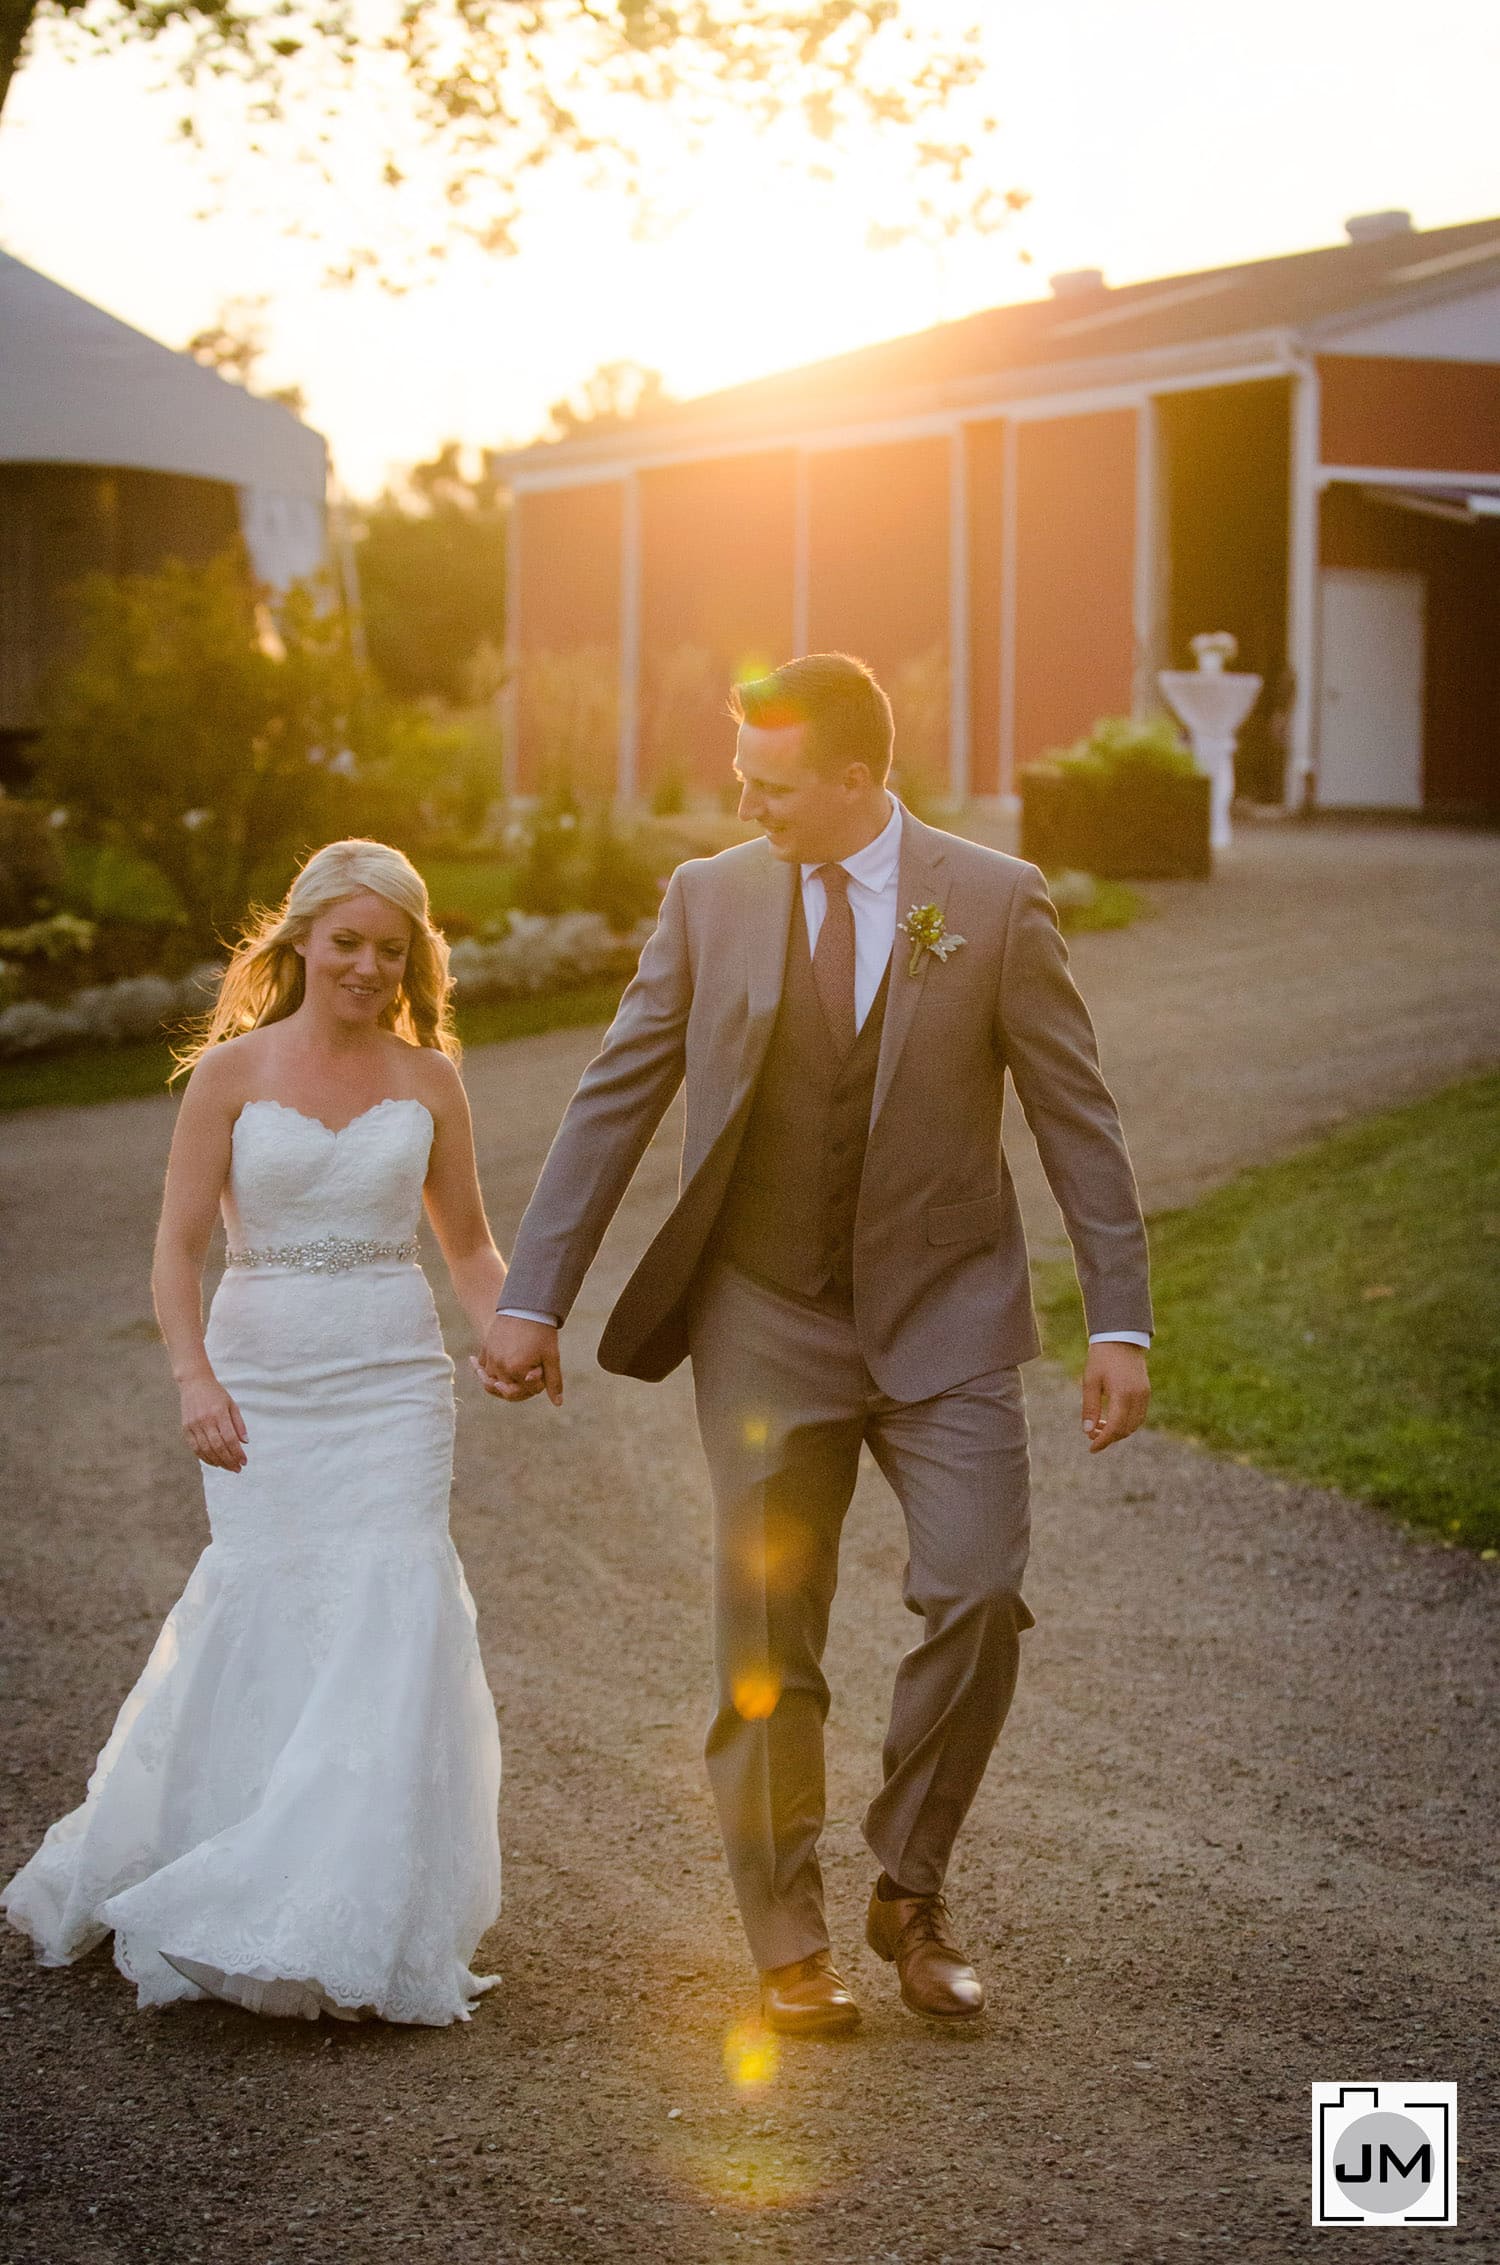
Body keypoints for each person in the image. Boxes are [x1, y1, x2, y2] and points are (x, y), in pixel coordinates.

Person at [480, 653, 1152, 2037]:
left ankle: (911, 1887)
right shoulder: (709, 897)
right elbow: (615, 1098)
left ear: (860, 778)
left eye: (772, 781)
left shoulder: (991, 901)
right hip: (766, 1314)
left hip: (949, 1309)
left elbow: (1078, 1119)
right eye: (743, 774)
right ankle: (786, 1936)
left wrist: (1120, 1319)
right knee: (766, 1633)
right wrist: (533, 1295)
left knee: (976, 1593)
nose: (745, 799)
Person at [3, 840, 506, 2024]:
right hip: (264, 1380)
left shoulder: (430, 1081)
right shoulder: (228, 1075)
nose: (369, 968)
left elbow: (472, 1248)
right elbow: (176, 1249)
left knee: (394, 1598)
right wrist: (193, 1380)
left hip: (391, 1380)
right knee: (269, 1595)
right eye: (348, 943)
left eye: (392, 951)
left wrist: (510, 1333)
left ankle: (358, 1907)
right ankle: (231, 1852)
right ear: (299, 941)